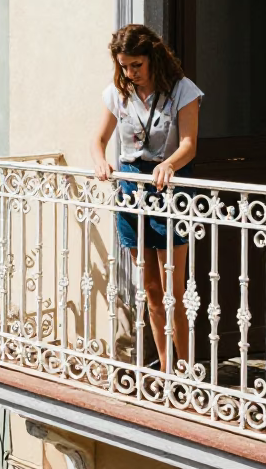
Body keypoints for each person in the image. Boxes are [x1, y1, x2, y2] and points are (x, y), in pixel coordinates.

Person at [90, 24, 203, 373]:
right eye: (124, 66)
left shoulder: (182, 91)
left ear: (152, 57)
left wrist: (169, 164)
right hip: (130, 191)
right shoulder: (118, 93)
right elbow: (98, 140)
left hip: (167, 189)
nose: (130, 73)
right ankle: (168, 369)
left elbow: (189, 144)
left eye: (136, 65)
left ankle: (187, 371)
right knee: (152, 289)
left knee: (174, 291)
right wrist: (100, 162)